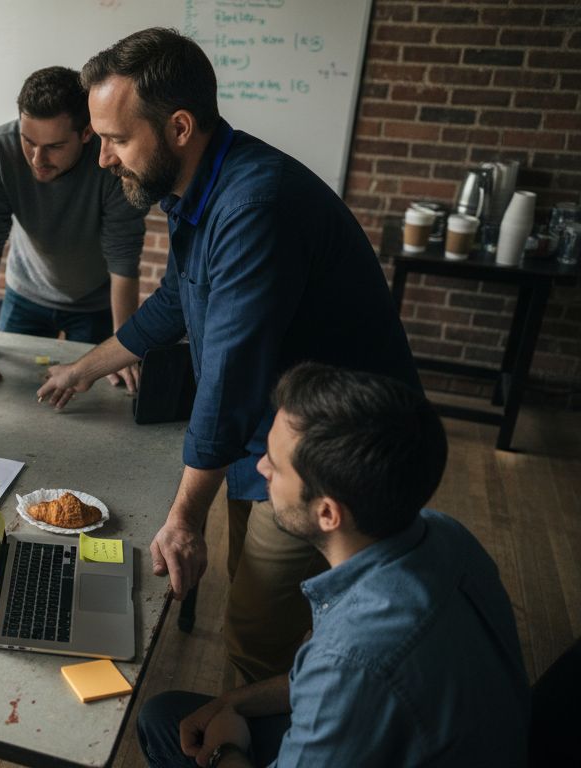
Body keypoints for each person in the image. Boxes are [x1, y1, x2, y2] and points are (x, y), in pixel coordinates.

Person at [36, 28, 420, 684]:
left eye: (117, 139)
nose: (102, 159)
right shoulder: (202, 188)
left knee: (257, 631)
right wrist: (82, 367)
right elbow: (177, 303)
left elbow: (230, 379)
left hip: (335, 456)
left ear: (179, 127)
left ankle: (261, 733)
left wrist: (185, 518)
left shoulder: (254, 206)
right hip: (273, 434)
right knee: (255, 593)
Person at [136, 363, 529, 767]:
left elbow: (349, 671)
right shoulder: (447, 534)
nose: (260, 468)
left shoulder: (351, 658)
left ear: (327, 513)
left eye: (274, 462)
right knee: (168, 714)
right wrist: (234, 700)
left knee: (165, 726)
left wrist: (225, 750)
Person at [0, 66, 147, 393]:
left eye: (54, 146)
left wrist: (123, 346)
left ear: (86, 133)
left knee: (98, 397)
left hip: (93, 302)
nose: (37, 158)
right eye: (28, 141)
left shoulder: (113, 164)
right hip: (25, 293)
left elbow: (123, 258)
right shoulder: (2, 147)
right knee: (8, 394)